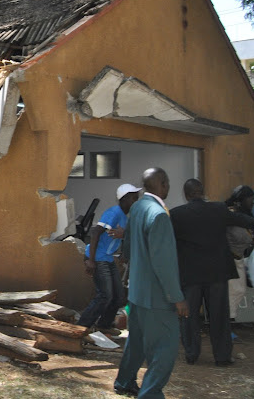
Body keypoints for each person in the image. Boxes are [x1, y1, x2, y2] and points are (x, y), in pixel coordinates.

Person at [114, 168, 188, 398]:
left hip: (136, 292)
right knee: (165, 349)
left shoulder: (137, 207)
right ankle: (150, 393)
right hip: (157, 297)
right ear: (164, 184)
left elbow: (127, 246)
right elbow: (163, 262)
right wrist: (177, 297)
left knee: (136, 341)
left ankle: (125, 381)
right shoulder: (158, 215)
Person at [170, 179, 254, 367]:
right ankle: (222, 357)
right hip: (217, 273)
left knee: (190, 316)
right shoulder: (218, 209)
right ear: (202, 191)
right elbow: (243, 220)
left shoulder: (176, 214)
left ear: (186, 195)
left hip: (190, 274)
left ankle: (192, 354)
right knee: (219, 316)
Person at [77, 184, 141, 334]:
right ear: (125, 199)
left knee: (118, 296)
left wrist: (123, 251)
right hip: (98, 258)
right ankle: (81, 326)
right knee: (105, 295)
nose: (136, 200)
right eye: (134, 197)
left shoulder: (124, 217)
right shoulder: (114, 212)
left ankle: (104, 325)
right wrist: (91, 260)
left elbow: (119, 236)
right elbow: (95, 232)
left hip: (107, 258)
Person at [225, 185, 254, 319]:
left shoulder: (243, 216)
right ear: (242, 199)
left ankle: (227, 323)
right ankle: (226, 326)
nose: (253, 202)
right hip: (229, 260)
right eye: (251, 199)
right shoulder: (231, 214)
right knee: (233, 292)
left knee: (238, 291)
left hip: (238, 259)